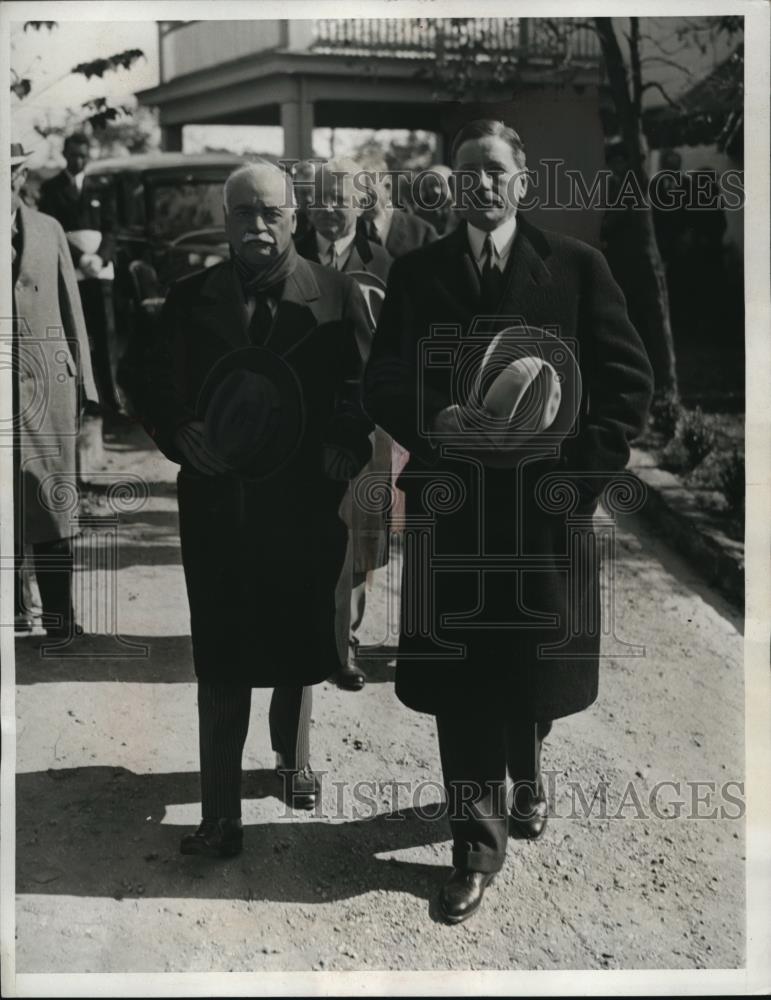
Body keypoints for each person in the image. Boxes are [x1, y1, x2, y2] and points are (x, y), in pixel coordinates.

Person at [364, 119, 654, 924]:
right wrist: (437, 425)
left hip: (539, 514)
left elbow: (628, 385)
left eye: (493, 170)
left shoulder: (576, 268)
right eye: (466, 172)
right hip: (455, 510)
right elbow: (382, 378)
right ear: (450, 186)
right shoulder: (418, 273)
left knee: (530, 671)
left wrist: (577, 481)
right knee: (462, 682)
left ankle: (527, 773)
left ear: (522, 182)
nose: (479, 185)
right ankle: (473, 845)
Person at [141, 161, 373, 859]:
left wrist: (345, 441)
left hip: (304, 506)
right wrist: (177, 426)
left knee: (299, 640)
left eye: (271, 213)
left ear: (294, 218)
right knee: (220, 652)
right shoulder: (188, 299)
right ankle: (219, 815)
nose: (257, 227)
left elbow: (365, 385)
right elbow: (146, 376)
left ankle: (291, 759)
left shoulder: (335, 295)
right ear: (224, 219)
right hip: (219, 506)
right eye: (243, 213)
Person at [296, 157, 392, 691]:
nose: (330, 209)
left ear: (362, 203)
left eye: (342, 198)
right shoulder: (290, 258)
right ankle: (316, 637)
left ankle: (345, 641)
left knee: (360, 539)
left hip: (367, 424)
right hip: (303, 423)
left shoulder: (386, 264)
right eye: (321, 197)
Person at [10, 142, 99, 637]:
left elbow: (72, 309)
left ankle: (61, 620)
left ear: (19, 176)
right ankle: (15, 612)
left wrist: (82, 383)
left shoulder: (48, 230)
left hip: (47, 386)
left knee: (51, 503)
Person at [38, 131, 122, 414]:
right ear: (65, 154)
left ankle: (111, 402)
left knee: (106, 336)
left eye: (84, 155)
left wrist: (100, 257)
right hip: (71, 270)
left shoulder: (101, 187)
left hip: (100, 272)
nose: (79, 160)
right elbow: (52, 230)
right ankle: (81, 400)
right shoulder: (51, 189)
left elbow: (112, 229)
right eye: (74, 154)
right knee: (76, 334)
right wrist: (79, 258)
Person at [356, 150, 437, 257]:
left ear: (387, 186)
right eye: (353, 191)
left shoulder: (421, 233)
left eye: (366, 189)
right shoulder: (347, 233)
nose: (359, 198)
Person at [410, 164, 459, 237]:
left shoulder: (461, 213)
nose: (435, 190)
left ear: (450, 185)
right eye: (431, 185)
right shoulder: (421, 215)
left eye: (440, 185)